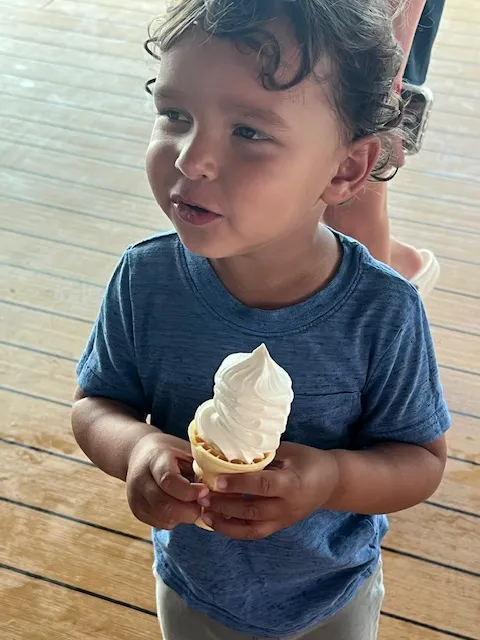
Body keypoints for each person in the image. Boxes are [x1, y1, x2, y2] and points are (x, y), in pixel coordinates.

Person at [71, 1, 450, 638]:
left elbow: (419, 460)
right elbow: (95, 404)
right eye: (175, 115)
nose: (191, 161)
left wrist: (331, 476)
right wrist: (136, 447)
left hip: (331, 593)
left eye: (248, 131)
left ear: (345, 167)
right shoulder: (146, 280)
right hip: (193, 585)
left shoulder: (381, 312)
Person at [325, 0, 445, 294]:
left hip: (369, 29)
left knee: (349, 199)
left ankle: (378, 312)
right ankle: (398, 264)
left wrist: (385, 96)